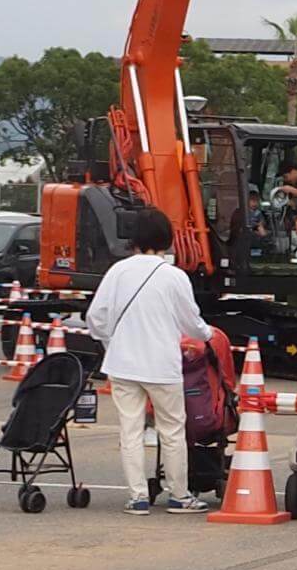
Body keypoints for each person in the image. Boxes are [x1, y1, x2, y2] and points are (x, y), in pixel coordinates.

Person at [85, 207, 216, 516]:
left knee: (129, 430)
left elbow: (95, 317)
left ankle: (137, 497)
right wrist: (209, 334)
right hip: (161, 365)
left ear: (134, 239)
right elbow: (192, 324)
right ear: (167, 240)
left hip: (122, 364)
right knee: (172, 430)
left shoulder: (118, 271)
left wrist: (111, 342)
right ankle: (179, 495)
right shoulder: (174, 276)